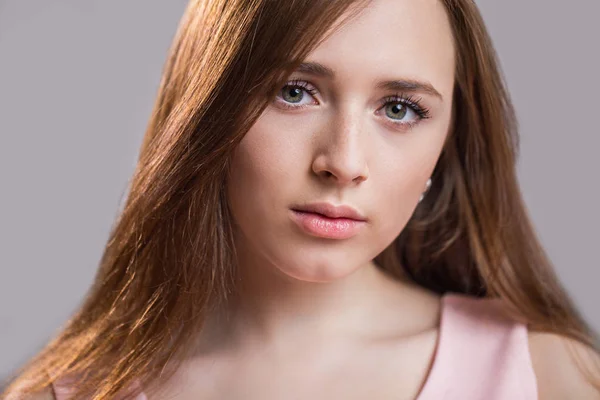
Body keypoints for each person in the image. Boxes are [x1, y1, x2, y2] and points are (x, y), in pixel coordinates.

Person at [3, 0, 600, 399]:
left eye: (399, 109)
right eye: (294, 92)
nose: (342, 162)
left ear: (446, 147)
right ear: (210, 110)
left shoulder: (549, 378)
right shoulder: (66, 394)